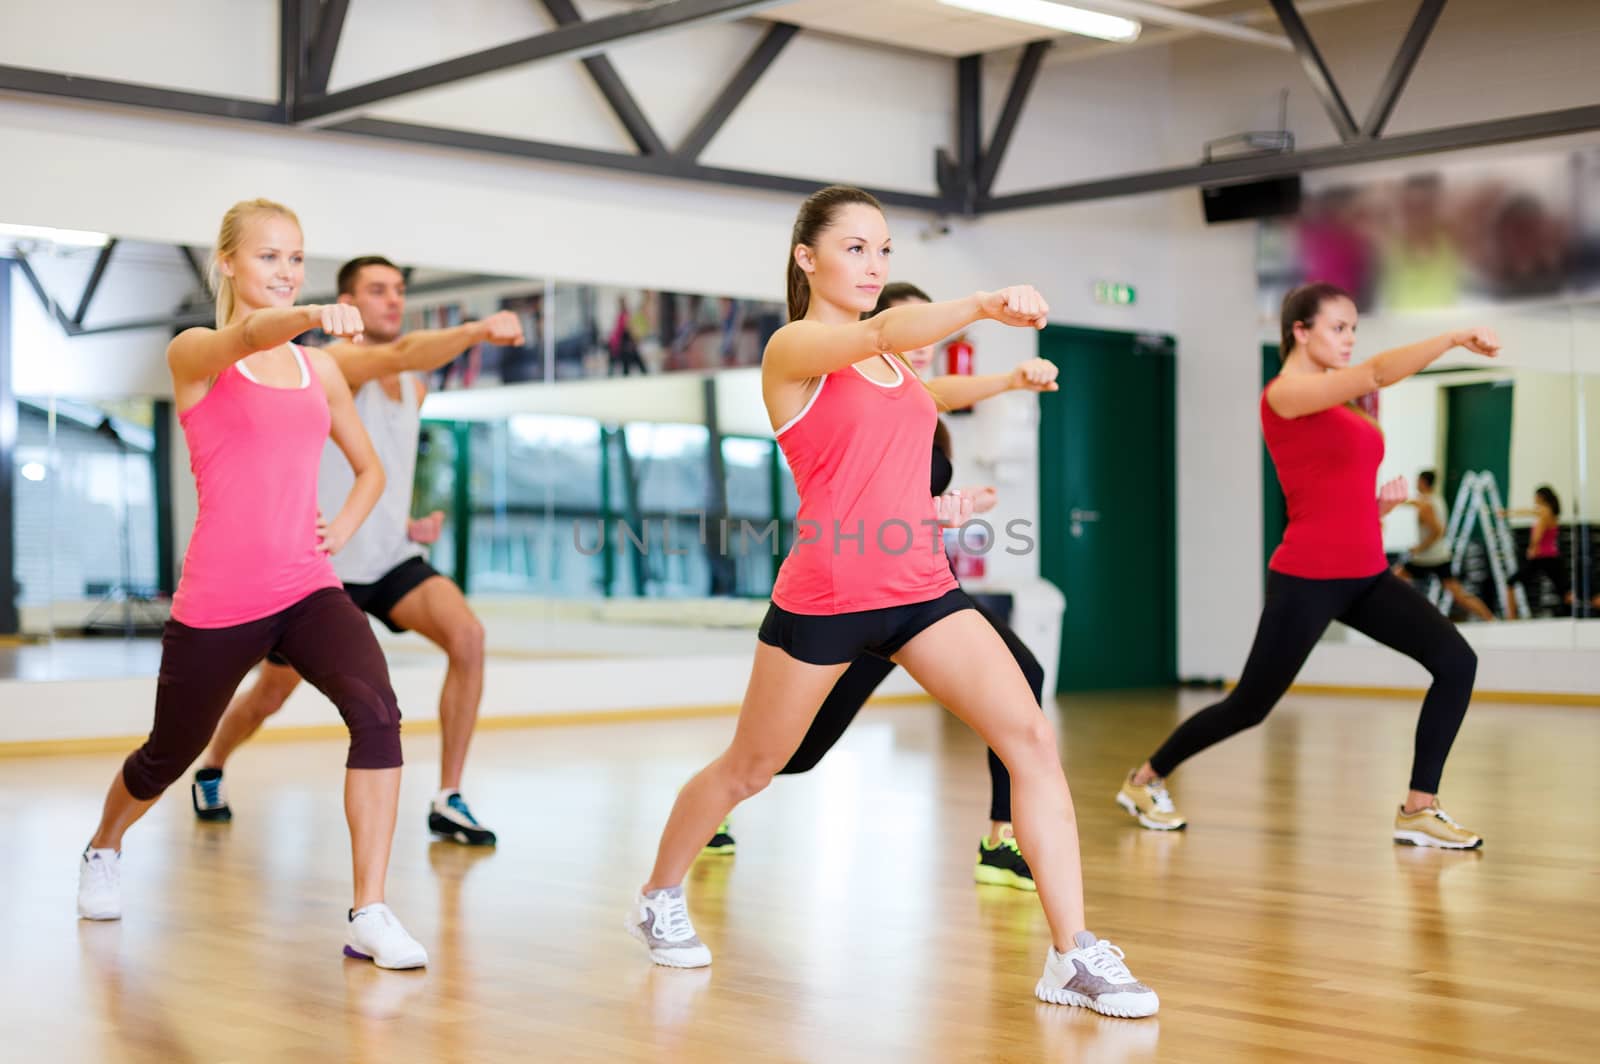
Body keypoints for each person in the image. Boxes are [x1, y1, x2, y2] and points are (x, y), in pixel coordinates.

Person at [626, 186, 1158, 1018]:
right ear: (808, 258)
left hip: (920, 589)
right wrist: (983, 302)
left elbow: (909, 412)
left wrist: (1003, 388)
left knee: (1030, 740)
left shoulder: (892, 367)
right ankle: (659, 894)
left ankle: (1073, 955)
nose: (874, 266)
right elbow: (874, 333)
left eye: (885, 251)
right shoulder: (796, 347)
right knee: (753, 768)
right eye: (857, 249)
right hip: (829, 595)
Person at [77, 199, 427, 968]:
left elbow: (369, 468)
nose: (286, 271)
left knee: (377, 712)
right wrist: (307, 311)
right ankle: (104, 846)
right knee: (170, 752)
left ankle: (370, 909)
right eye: (269, 257)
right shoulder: (197, 352)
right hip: (220, 598)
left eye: (296, 258)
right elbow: (245, 335)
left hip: (308, 587)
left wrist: (342, 525)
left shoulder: (319, 367)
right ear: (229, 261)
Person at [703, 281, 1059, 894]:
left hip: (925, 594)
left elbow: (943, 393)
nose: (925, 343)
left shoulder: (917, 400)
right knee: (799, 752)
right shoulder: (852, 383)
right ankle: (721, 792)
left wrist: (1009, 385)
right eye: (912, 327)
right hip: (857, 594)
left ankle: (1000, 839)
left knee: (1024, 674)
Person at [1117, 282, 1498, 850]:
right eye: (1337, 327)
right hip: (1309, 578)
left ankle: (1419, 807)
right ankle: (1145, 780)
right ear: (1300, 330)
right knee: (1250, 706)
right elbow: (1373, 375)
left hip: (1366, 574)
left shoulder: (1335, 404)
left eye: (1353, 330)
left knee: (1455, 661)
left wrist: (1379, 508)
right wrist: (1450, 337)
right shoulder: (1285, 394)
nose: (1348, 339)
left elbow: (1328, 490)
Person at [190, 256, 523, 847]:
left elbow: (382, 461)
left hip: (390, 557)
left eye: (398, 290)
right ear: (348, 301)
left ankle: (449, 797)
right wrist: (475, 331)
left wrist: (407, 520)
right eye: (377, 291)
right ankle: (213, 764)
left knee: (467, 638)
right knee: (271, 694)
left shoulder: (414, 387)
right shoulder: (340, 363)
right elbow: (396, 354)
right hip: (323, 567)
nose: (392, 300)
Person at [1399, 470, 1494, 622]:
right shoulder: (1435, 500)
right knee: (1458, 594)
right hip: (1440, 556)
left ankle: (1397, 615)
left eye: (1417, 480)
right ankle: (1489, 617)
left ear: (1423, 482)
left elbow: (1438, 531)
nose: (1416, 483)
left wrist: (1419, 548)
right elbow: (1413, 502)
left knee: (1393, 580)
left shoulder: (1427, 505)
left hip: (1426, 557)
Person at [1501, 486, 1569, 619]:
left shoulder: (1544, 512)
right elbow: (1526, 512)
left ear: (1541, 497)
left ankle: (1511, 617)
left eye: (1536, 497)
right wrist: (1508, 513)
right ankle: (1585, 606)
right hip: (1551, 557)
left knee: (1510, 582)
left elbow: (1538, 533)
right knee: (1565, 592)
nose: (1534, 499)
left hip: (1541, 557)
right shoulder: (1550, 512)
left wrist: (1532, 548)